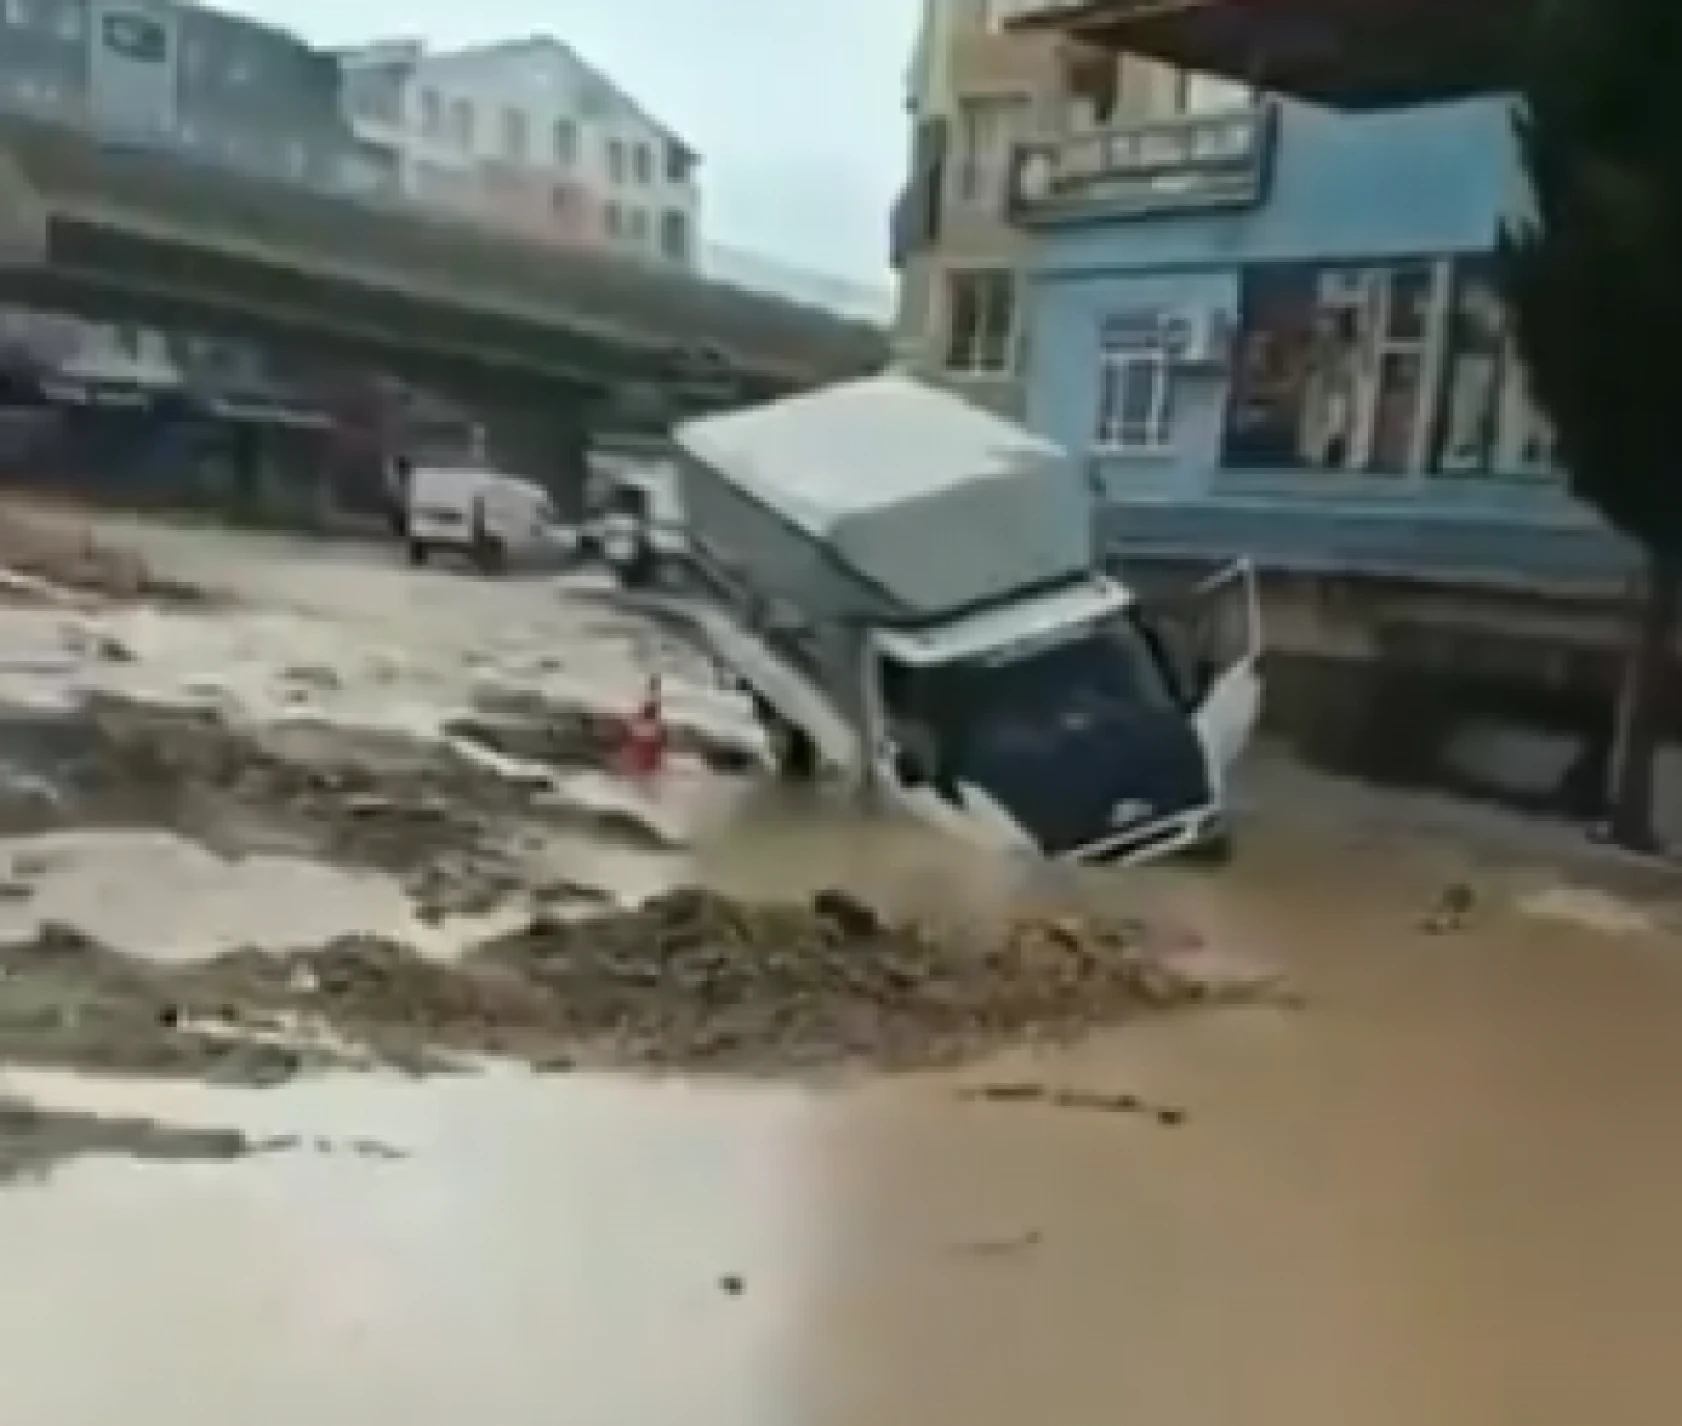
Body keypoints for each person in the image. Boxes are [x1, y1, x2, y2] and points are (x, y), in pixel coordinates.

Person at [617, 675, 668, 778]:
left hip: (643, 744)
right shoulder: (651, 724)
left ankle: (652, 688)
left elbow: (628, 737)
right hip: (645, 743)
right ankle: (652, 688)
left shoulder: (644, 723)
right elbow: (659, 744)